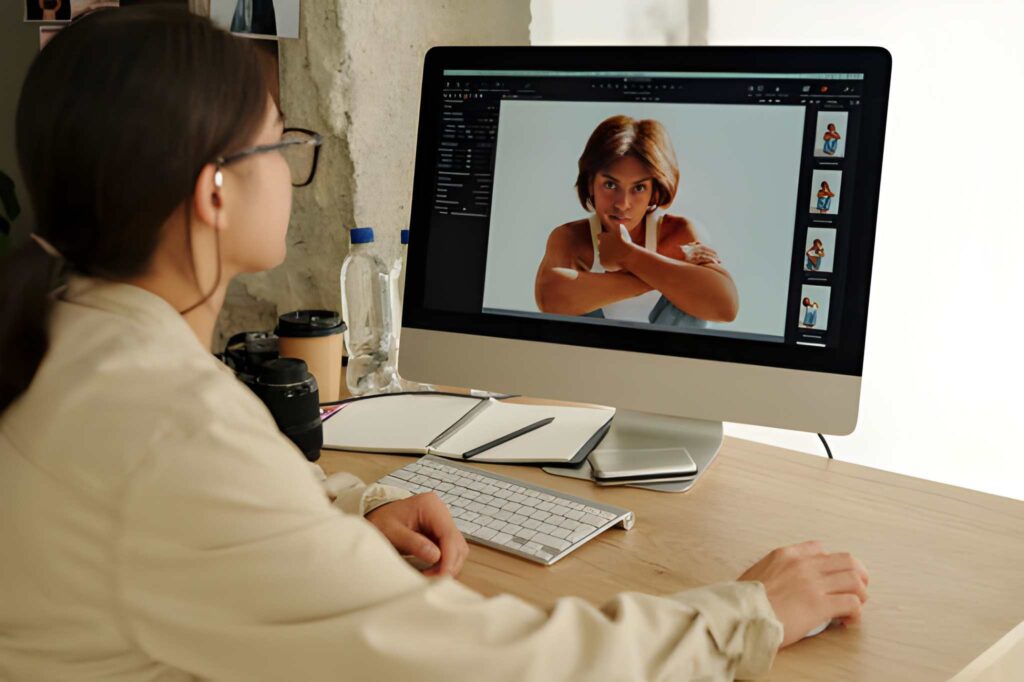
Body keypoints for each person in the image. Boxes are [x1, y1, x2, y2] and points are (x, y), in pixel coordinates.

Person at [0, 8, 869, 680]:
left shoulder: (74, 338)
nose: (292, 167)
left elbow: (206, 509)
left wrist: (350, 509)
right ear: (214, 193)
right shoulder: (168, 432)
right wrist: (746, 613)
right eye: (279, 141)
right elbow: (487, 663)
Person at [534, 115, 738, 329]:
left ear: (654, 192)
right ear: (590, 183)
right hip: (592, 351)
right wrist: (661, 275)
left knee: (697, 298)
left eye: (639, 188)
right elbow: (549, 298)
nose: (622, 204)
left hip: (667, 351)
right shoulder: (571, 239)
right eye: (610, 185)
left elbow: (726, 307)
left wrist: (628, 256)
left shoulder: (679, 233)